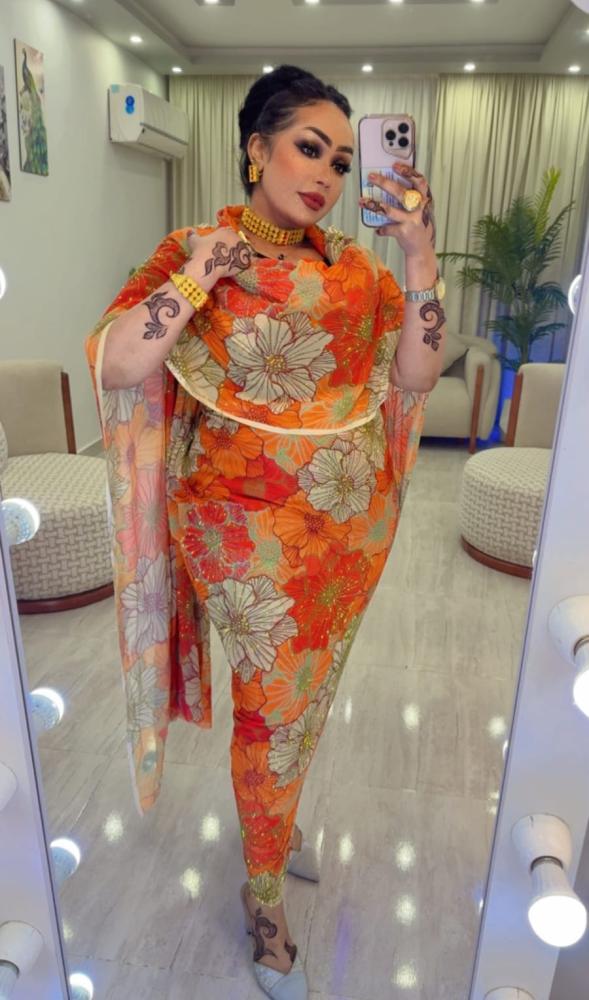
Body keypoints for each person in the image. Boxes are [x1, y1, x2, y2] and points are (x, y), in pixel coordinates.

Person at [86, 65, 446, 1000]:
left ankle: (272, 832)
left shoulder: (357, 271)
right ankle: (264, 901)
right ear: (256, 148)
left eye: (340, 160)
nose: (325, 173)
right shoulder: (193, 249)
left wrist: (418, 255)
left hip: (347, 530)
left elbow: (414, 378)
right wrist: (202, 271)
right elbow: (118, 360)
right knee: (271, 706)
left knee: (303, 701)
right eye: (306, 148)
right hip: (236, 528)